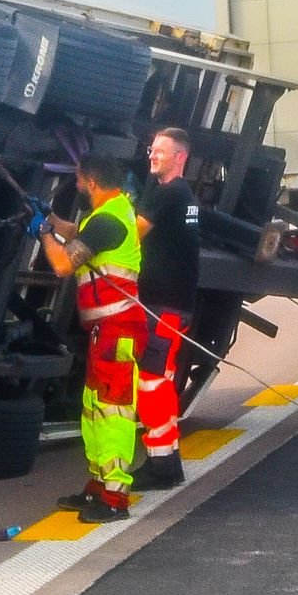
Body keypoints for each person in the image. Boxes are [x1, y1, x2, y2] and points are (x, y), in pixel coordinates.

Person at [54, 160, 154, 522]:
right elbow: (78, 231)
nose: (78, 186)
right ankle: (98, 487)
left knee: (113, 413)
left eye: (79, 180)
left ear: (92, 181)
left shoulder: (108, 220)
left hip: (118, 331)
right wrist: (49, 220)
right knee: (94, 409)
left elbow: (63, 265)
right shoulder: (112, 212)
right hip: (106, 332)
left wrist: (43, 235)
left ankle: (115, 499)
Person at [131, 126, 205, 489]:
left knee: (151, 382)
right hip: (172, 304)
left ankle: (161, 466)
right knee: (159, 380)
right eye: (151, 149)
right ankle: (168, 462)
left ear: (181, 157)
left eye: (160, 151)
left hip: (166, 306)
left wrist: (84, 234)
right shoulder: (182, 194)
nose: (152, 155)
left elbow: (132, 233)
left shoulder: (171, 193)